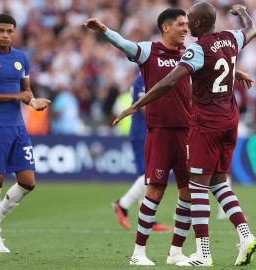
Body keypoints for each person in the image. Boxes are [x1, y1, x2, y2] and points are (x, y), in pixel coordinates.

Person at [113, 2, 256, 266]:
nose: (186, 25)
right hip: (231, 120)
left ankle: (203, 252)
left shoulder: (196, 49)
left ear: (199, 24)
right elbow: (252, 29)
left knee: (197, 186)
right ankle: (245, 235)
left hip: (206, 124)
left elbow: (170, 81)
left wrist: (135, 105)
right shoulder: (231, 38)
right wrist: (243, 12)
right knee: (218, 183)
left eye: (189, 20)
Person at [82, 9, 193, 266]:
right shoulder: (148, 51)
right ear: (166, 27)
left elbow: (212, 67)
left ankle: (176, 253)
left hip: (186, 132)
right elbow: (123, 43)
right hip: (160, 133)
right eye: (180, 24)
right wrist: (104, 30)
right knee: (155, 190)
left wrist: (237, 74)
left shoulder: (189, 54)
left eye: (187, 24)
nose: (185, 29)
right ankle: (138, 253)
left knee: (188, 193)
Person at [0, 14, 51, 253]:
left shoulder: (21, 58)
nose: (6, 35)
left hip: (17, 126)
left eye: (10, 31)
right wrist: (15, 97)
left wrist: (33, 102)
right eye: (1, 30)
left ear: (14, 33)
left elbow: (25, 91)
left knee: (28, 181)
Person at [112, 72, 171, 232]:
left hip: (147, 133)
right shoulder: (142, 78)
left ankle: (147, 218)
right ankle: (122, 204)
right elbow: (146, 106)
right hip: (141, 133)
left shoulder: (151, 76)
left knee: (146, 177)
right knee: (148, 175)